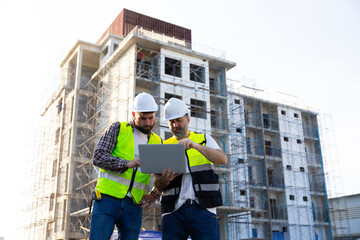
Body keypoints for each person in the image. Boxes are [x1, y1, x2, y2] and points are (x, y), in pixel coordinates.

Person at [89, 92, 163, 240]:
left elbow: (160, 176)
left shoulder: (158, 141)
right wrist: (128, 164)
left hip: (134, 206)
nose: (148, 123)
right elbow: (98, 156)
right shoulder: (118, 129)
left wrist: (155, 194)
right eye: (143, 118)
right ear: (134, 114)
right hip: (107, 199)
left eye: (151, 118)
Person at [155, 98, 228, 240]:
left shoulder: (204, 139)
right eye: (171, 122)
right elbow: (158, 185)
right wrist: (164, 180)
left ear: (188, 119)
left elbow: (222, 159)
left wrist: (196, 146)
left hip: (204, 210)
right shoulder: (164, 146)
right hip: (173, 212)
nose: (176, 125)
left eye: (179, 120)